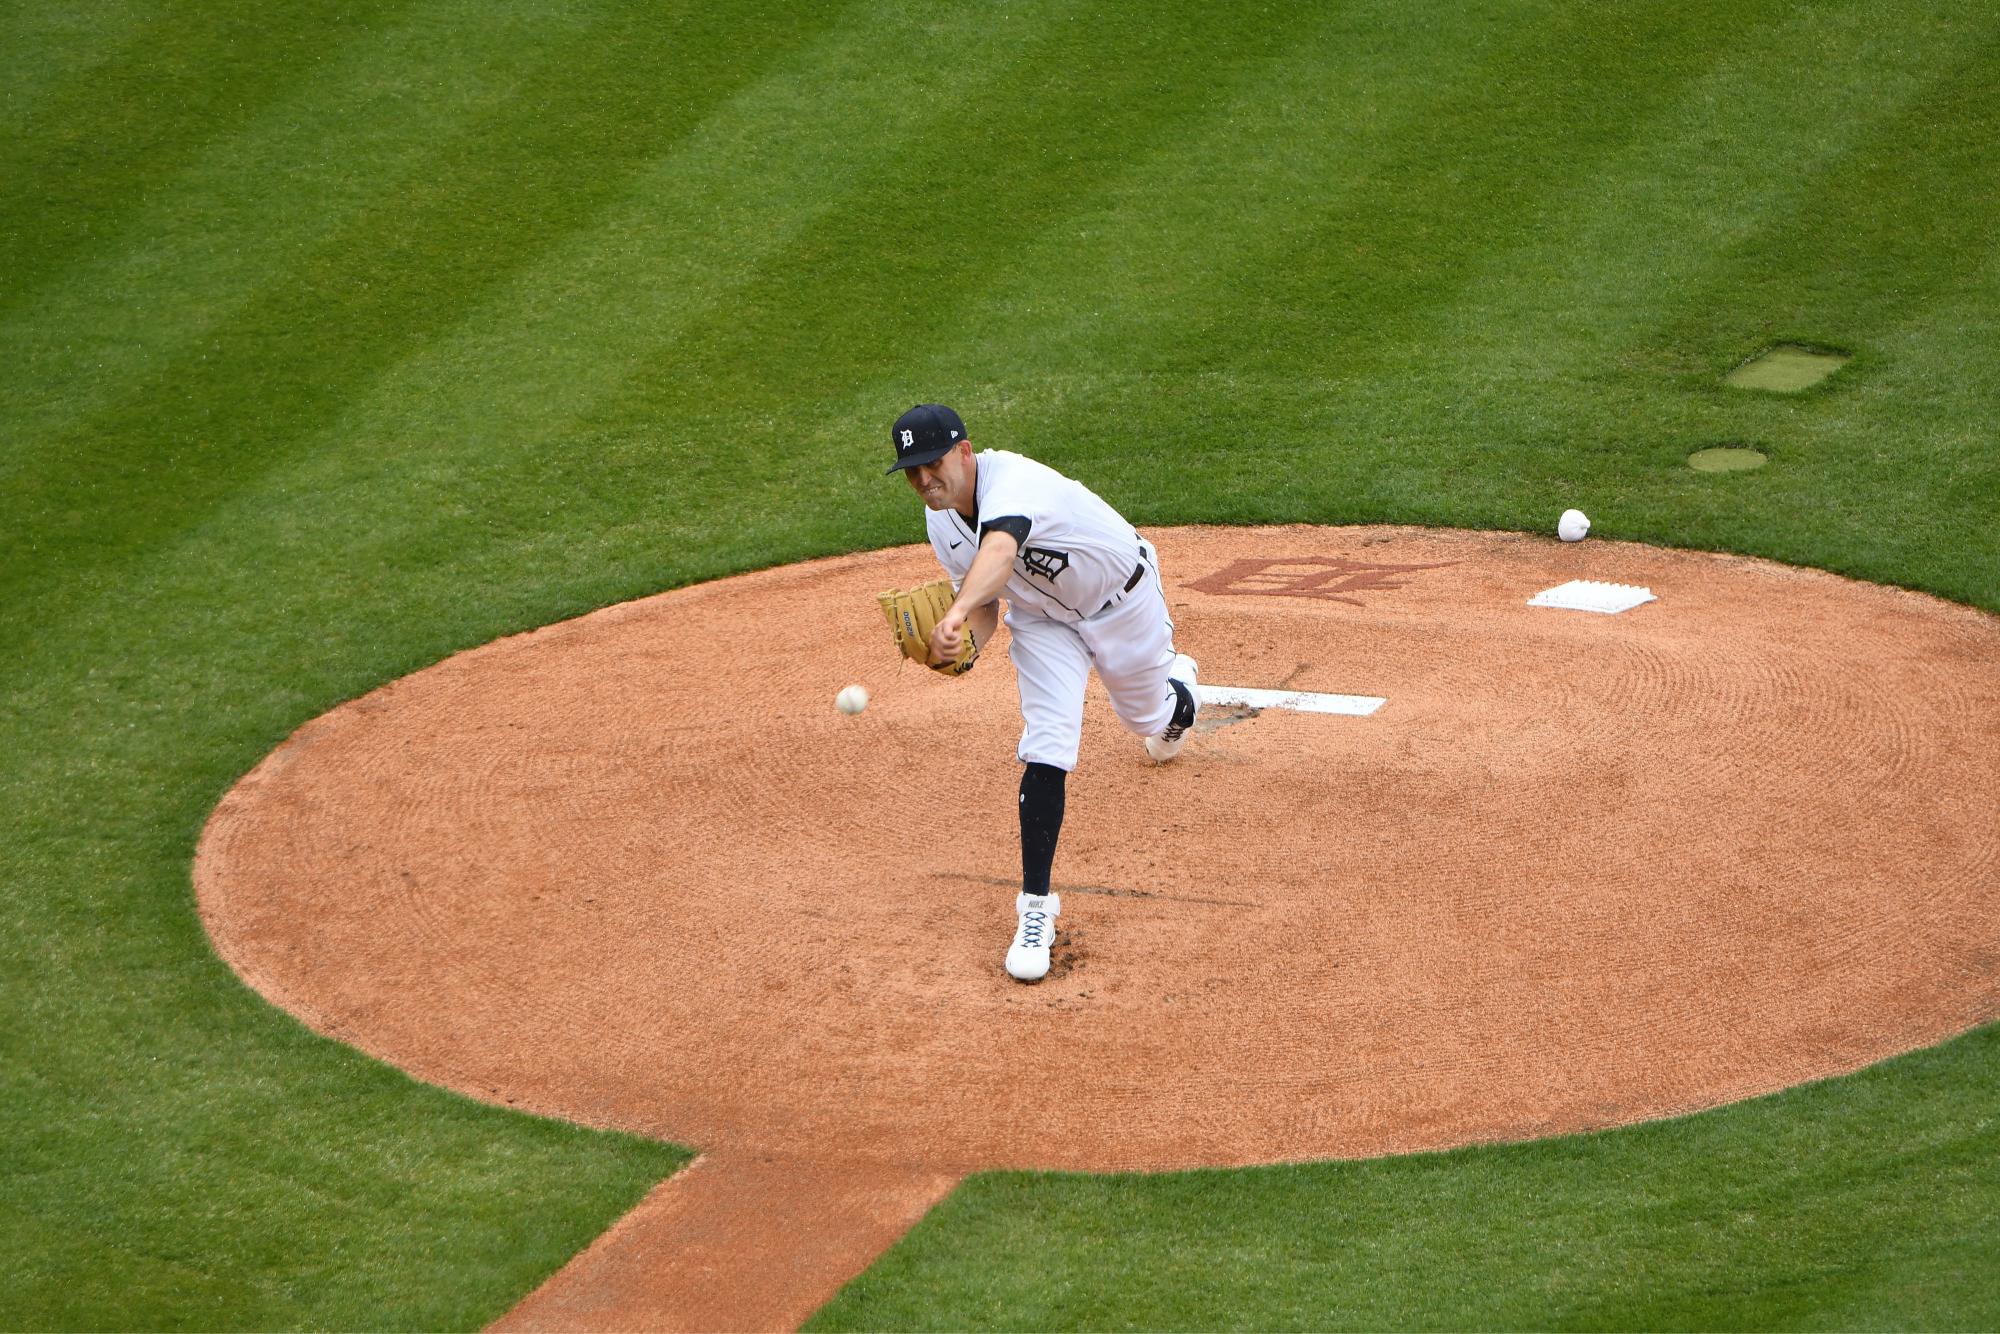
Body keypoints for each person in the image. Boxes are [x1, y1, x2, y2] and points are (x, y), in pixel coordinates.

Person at [886, 403, 1200, 982]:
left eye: (932, 464)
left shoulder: (1015, 481)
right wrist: (963, 645)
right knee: (1047, 744)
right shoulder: (941, 522)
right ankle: (1036, 910)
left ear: (964, 451)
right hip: (1043, 622)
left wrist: (952, 613)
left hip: (1121, 601)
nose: (924, 480)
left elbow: (1000, 551)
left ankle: (1180, 698)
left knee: (1148, 722)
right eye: (912, 471)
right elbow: (984, 602)